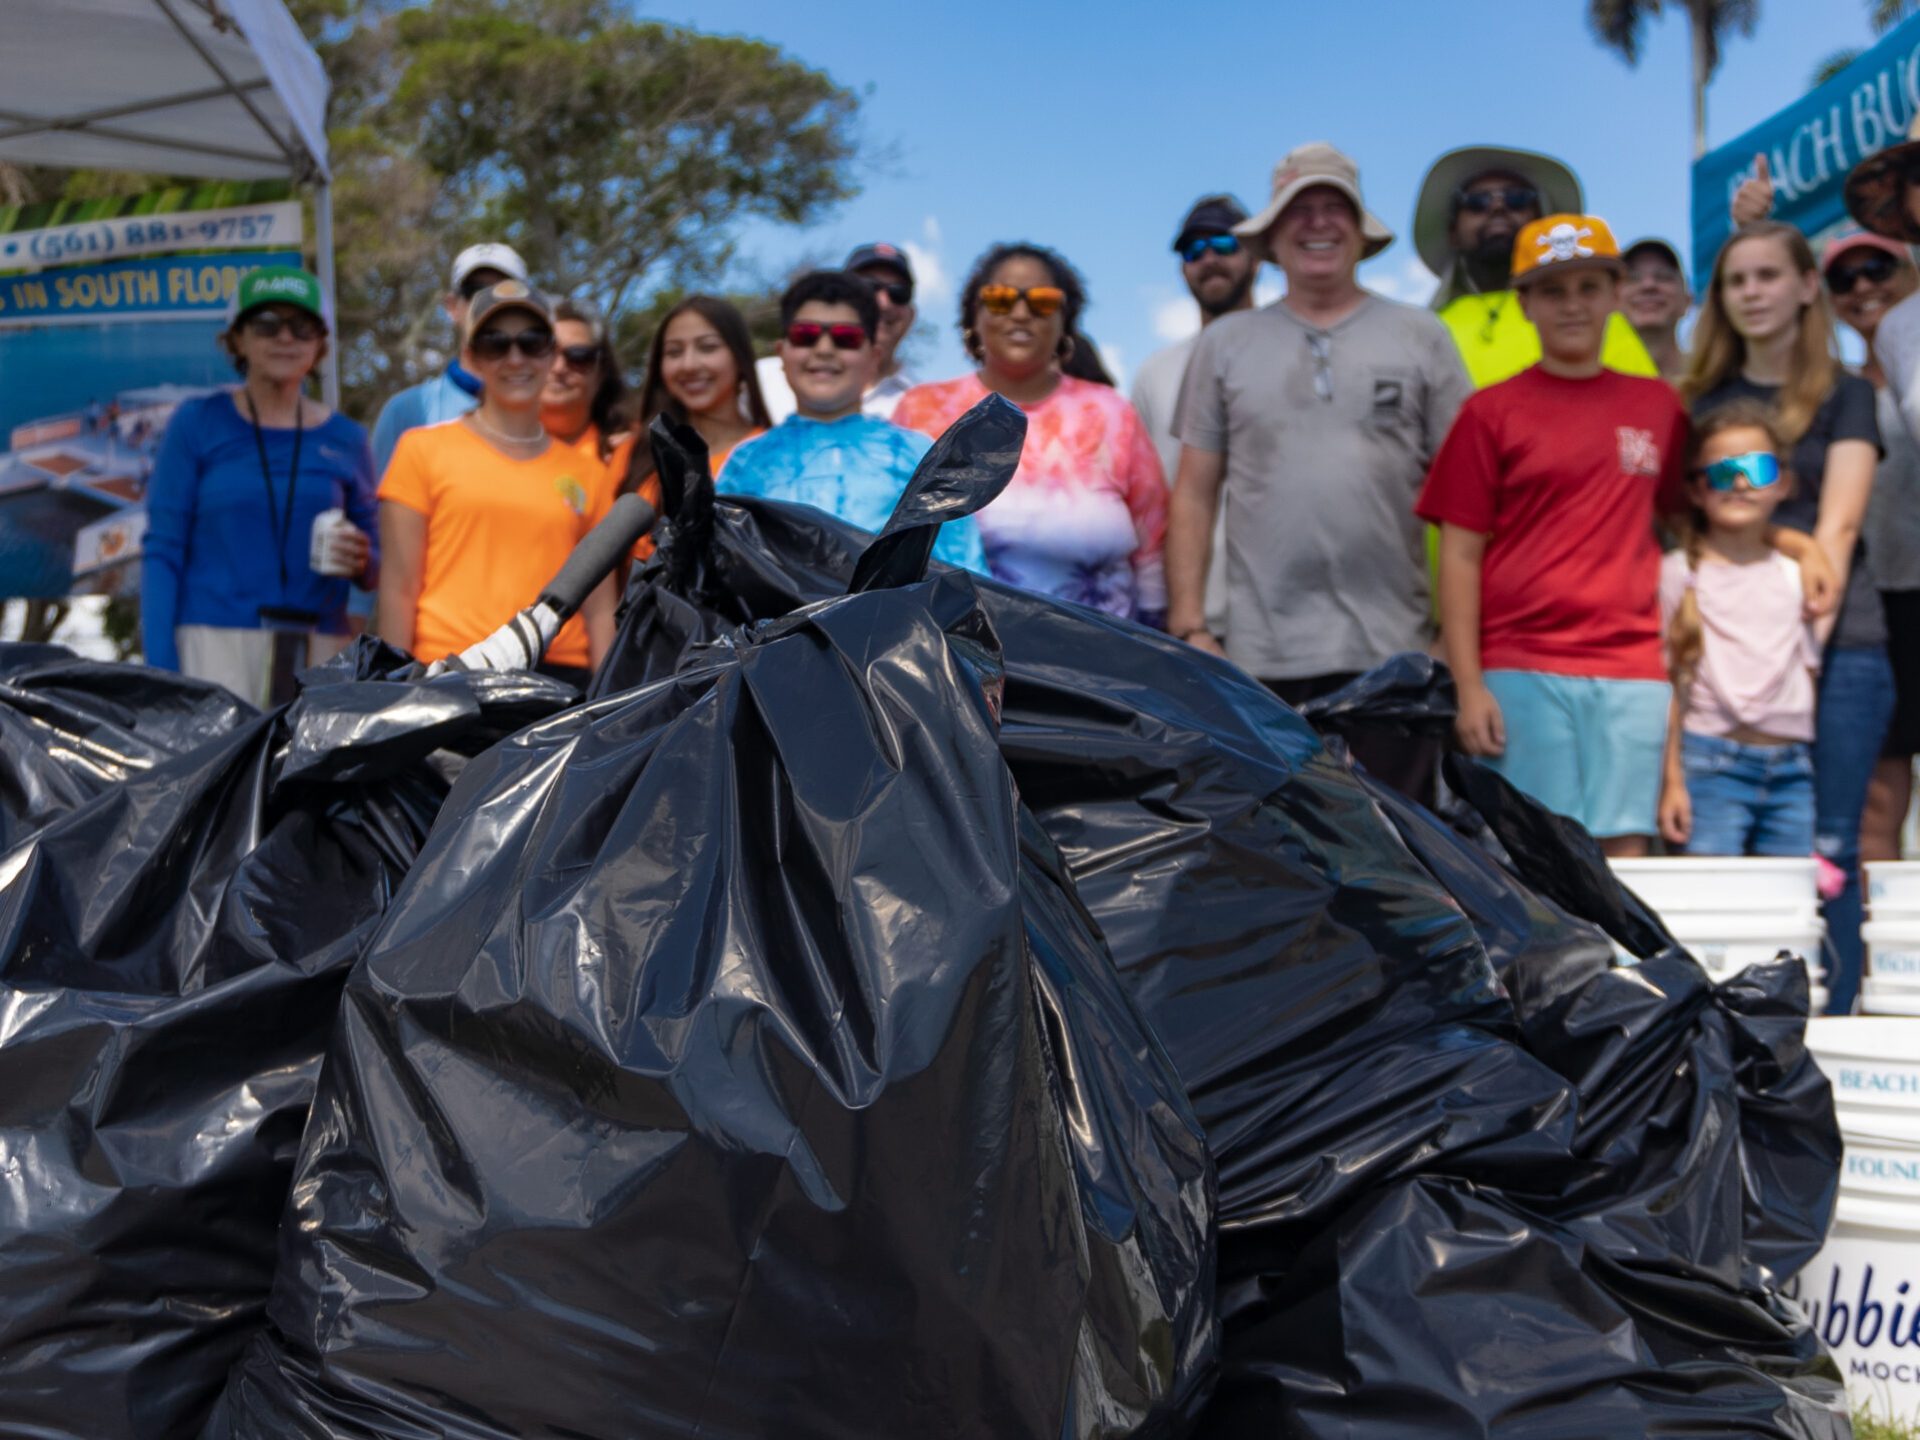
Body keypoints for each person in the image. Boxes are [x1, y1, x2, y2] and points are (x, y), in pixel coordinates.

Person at [1165, 142, 1471, 798]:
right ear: (1271, 236)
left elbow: (1469, 501)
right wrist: (1191, 627)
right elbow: (1192, 495)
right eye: (1298, 211)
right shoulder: (1226, 344)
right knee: (1280, 866)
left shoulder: (1422, 337)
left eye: (1336, 207)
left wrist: (1453, 642)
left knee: (1401, 865)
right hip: (1257, 664)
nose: (1319, 223)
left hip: (1398, 657)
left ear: (1361, 230)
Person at [1418, 214, 1686, 856]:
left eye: (1589, 287)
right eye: (1553, 291)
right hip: (1520, 665)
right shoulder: (1489, 412)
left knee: (1626, 852)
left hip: (1633, 664)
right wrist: (1469, 680)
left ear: (1615, 296)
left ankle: (1626, 965)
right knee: (1536, 854)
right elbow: (1459, 553)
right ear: (1525, 305)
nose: (1573, 305)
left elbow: (1681, 526)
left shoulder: (1661, 407)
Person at [1682, 220, 1882, 1012]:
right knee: (1725, 844)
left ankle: (1833, 1022)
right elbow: (1689, 527)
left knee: (1831, 843)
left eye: (1769, 275)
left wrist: (1792, 656)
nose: (1752, 293)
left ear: (1807, 286)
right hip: (1731, 650)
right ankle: (1723, 1025)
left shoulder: (1848, 394)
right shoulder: (1702, 403)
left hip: (1839, 642)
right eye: (1736, 280)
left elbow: (1836, 531)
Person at [893, 242, 1167, 623]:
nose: (1021, 313)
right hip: (951, 657)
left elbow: (1153, 542)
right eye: (1001, 299)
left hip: (1099, 664)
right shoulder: (919, 409)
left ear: (1065, 321)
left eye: (1041, 301)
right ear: (974, 315)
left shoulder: (1112, 412)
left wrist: (1160, 635)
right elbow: (889, 539)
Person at [142, 265, 377, 706]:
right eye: (266, 324)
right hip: (213, 646)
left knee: (303, 777)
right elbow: (162, 551)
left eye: (302, 326)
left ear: (321, 344)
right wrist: (161, 671)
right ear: (237, 339)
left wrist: (363, 558)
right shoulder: (197, 423)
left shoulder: (347, 439)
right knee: (222, 775)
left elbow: (379, 563)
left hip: (319, 651)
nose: (285, 338)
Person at [377, 281, 617, 688]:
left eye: (532, 341)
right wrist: (391, 694)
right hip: (448, 676)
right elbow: (398, 590)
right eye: (495, 343)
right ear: (471, 355)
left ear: (551, 352)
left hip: (557, 686)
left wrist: (611, 703)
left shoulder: (589, 472)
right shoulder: (421, 450)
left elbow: (600, 611)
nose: (515, 357)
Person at [719, 271, 986, 572]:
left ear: (873, 356)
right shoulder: (746, 462)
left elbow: (966, 575)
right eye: (805, 336)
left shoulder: (920, 457)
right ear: (783, 353)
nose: (824, 349)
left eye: (846, 338)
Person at [1658, 404, 1820, 856]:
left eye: (1758, 468)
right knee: (1714, 908)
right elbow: (1667, 687)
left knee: (1789, 907)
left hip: (1794, 770)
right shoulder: (1676, 574)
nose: (1743, 483)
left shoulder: (1798, 574)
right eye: (1724, 472)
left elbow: (1810, 674)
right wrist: (1672, 782)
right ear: (1695, 489)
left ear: (1783, 483)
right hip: (1709, 766)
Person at [1824, 231, 1920, 867]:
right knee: (1881, 803)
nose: (1863, 285)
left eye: (1878, 267)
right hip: (1880, 607)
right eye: (1845, 278)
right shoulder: (1838, 391)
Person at [1412, 145, 1657, 388]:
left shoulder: (1592, 316)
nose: (1498, 207)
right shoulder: (1427, 330)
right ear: (1452, 232)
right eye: (1477, 202)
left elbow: (1641, 410)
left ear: (1543, 220)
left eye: (1517, 199)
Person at [619, 295, 773, 561]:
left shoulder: (774, 454)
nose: (689, 365)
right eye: (674, 352)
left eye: (707, 347)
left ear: (739, 357)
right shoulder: (634, 453)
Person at [369, 242, 530, 476]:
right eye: (475, 291)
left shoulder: (551, 408)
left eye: (504, 291)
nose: (489, 302)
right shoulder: (404, 412)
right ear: (452, 306)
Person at [757, 242, 922, 422]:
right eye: (868, 286)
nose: (883, 303)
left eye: (899, 293)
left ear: (911, 315)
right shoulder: (760, 381)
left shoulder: (927, 404)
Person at [1620, 237, 1691, 384]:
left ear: (1687, 301)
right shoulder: (1591, 385)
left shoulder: (1715, 381)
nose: (1648, 285)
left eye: (1663, 277)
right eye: (1633, 278)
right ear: (1613, 302)